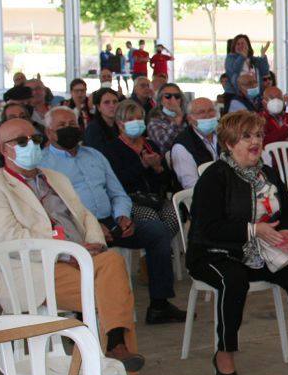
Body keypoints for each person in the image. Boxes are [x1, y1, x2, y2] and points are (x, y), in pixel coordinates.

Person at [0, 118, 158, 375]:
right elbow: (10, 238)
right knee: (107, 292)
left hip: (81, 258)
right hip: (34, 272)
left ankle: (115, 349)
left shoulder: (54, 177)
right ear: (3, 149)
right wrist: (67, 250)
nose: (31, 146)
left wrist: (94, 243)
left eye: (35, 140)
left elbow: (84, 215)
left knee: (111, 263)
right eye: (21, 142)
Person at [187, 111, 288, 375]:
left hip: (258, 253)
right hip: (212, 253)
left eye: (258, 135)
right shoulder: (215, 176)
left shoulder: (267, 173)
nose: (255, 142)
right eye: (246, 137)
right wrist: (254, 230)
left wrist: (281, 230)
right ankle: (224, 352)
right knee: (234, 279)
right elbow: (209, 227)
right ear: (229, 143)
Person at [40, 107, 185, 325]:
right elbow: (53, 209)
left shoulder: (95, 155)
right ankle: (84, 313)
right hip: (77, 228)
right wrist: (93, 228)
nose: (69, 129)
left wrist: (123, 216)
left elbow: (118, 192)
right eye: (62, 126)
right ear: (49, 133)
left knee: (157, 231)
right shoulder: (44, 164)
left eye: (72, 124)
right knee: (88, 252)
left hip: (111, 220)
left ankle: (159, 304)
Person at [103, 100, 178, 238]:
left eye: (139, 118)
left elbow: (167, 179)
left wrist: (158, 168)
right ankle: (159, 250)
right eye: (130, 119)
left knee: (174, 214)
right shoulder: (112, 149)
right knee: (150, 218)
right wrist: (142, 165)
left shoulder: (150, 145)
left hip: (155, 198)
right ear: (120, 123)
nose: (136, 122)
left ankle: (164, 247)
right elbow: (118, 181)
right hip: (130, 201)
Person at [170, 97, 219, 191]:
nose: (207, 115)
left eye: (211, 110)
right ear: (189, 119)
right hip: (200, 198)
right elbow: (191, 185)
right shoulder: (182, 145)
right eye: (201, 112)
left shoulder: (223, 135)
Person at [146, 83, 188, 156]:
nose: (173, 99)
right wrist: (177, 120)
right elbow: (165, 145)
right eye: (168, 96)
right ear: (161, 100)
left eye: (177, 96)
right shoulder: (154, 121)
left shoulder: (188, 118)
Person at [224, 34, 270, 98]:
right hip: (237, 95)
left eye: (243, 43)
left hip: (254, 95)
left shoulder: (252, 59)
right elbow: (234, 70)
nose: (240, 46)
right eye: (238, 44)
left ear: (248, 46)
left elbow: (265, 71)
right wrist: (242, 56)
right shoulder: (230, 58)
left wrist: (263, 54)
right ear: (234, 46)